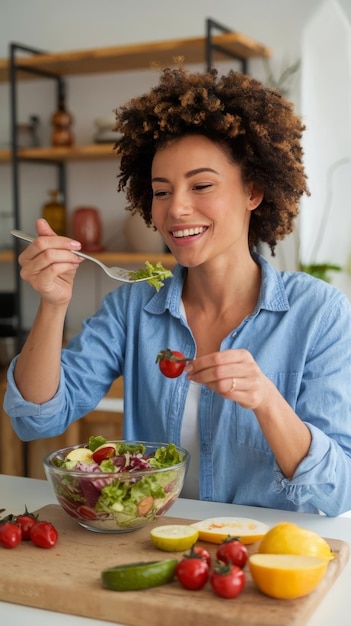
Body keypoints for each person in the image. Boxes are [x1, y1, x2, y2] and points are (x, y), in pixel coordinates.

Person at [4, 66, 351, 516]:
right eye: (161, 191)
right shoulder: (133, 306)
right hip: (153, 548)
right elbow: (36, 419)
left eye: (201, 185)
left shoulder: (318, 314)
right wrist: (53, 305)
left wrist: (267, 401)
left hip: (257, 559)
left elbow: (337, 490)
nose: (176, 209)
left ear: (254, 191)